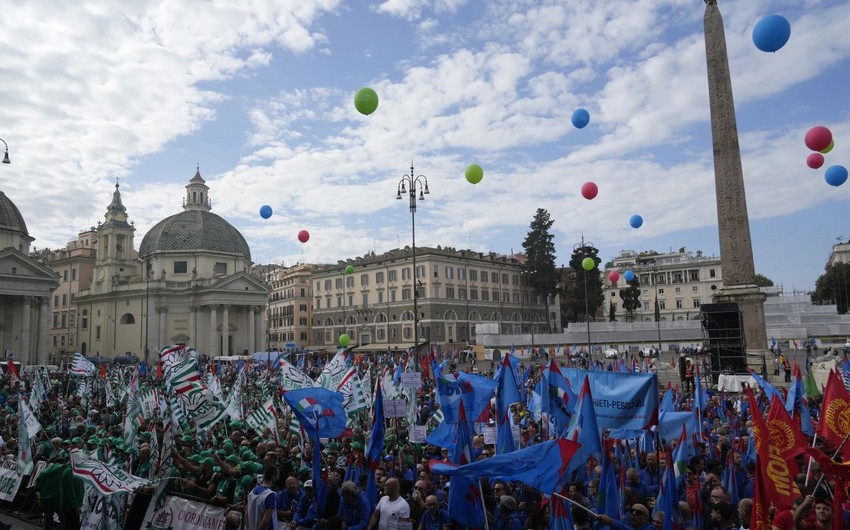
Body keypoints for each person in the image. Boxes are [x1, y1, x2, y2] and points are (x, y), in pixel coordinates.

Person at [248, 465, 280, 530]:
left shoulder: (253, 491)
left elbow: (246, 513)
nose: (279, 477)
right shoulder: (270, 494)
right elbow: (266, 521)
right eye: (278, 475)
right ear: (273, 477)